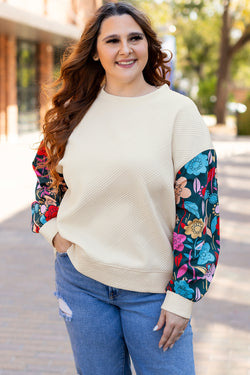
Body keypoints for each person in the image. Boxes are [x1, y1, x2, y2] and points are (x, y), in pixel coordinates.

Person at [31, 2, 220, 374]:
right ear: (96, 52)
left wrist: (184, 296)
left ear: (148, 45)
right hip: (81, 282)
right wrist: (52, 231)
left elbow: (200, 210)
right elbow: (45, 176)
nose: (125, 49)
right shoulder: (74, 110)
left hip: (155, 294)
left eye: (135, 38)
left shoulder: (180, 113)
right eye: (112, 40)